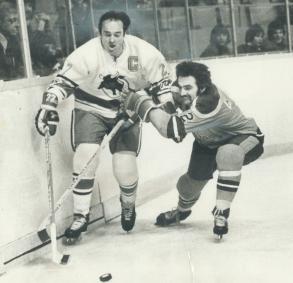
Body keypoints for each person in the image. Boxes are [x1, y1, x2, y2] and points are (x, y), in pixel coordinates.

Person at [35, 11, 173, 244]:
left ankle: (128, 205)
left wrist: (162, 106)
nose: (111, 40)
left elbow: (163, 86)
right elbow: (62, 83)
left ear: (124, 34)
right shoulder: (86, 53)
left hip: (127, 109)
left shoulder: (144, 52)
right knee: (84, 157)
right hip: (91, 107)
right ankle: (80, 216)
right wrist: (48, 105)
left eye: (117, 34)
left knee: (124, 166)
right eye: (106, 34)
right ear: (99, 33)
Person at [123, 61, 264, 239]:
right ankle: (181, 211)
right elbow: (168, 101)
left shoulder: (209, 102)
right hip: (207, 143)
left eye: (188, 88)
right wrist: (138, 97)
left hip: (243, 137)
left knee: (228, 153)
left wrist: (141, 103)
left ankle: (222, 212)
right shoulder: (181, 87)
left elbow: (168, 128)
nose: (182, 91)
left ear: (202, 87)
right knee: (186, 187)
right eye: (180, 86)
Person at [0, 2, 24, 80]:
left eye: (17, 20)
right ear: (1, 23)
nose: (17, 25)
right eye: (11, 20)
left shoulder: (14, 40)